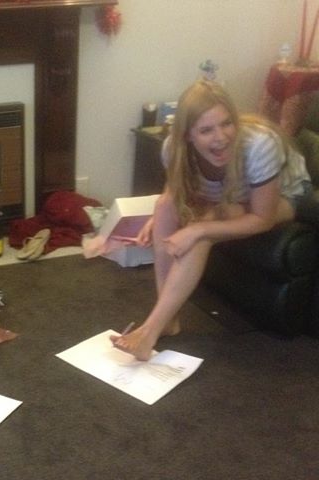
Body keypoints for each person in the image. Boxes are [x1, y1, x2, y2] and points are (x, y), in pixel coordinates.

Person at [111, 80, 310, 361]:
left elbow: (262, 218)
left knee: (203, 231)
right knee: (164, 206)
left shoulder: (259, 145)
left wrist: (198, 229)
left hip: (283, 197)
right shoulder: (173, 148)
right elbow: (173, 192)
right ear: (187, 135)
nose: (221, 137)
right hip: (231, 195)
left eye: (227, 123)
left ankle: (150, 331)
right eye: (206, 130)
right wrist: (157, 219)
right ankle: (167, 319)